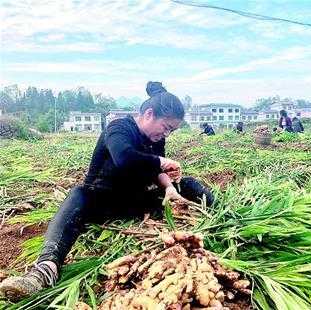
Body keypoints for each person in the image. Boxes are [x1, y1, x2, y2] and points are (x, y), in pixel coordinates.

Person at [0, 81, 214, 301]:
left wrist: (169, 187)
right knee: (77, 194)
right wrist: (161, 161)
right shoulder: (119, 128)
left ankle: (217, 214)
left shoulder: (155, 140)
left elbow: (155, 168)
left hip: (136, 200)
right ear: (149, 114)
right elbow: (124, 158)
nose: (167, 134)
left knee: (187, 184)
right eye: (166, 127)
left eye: (172, 130)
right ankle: (44, 270)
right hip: (101, 200)